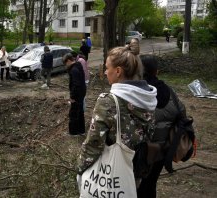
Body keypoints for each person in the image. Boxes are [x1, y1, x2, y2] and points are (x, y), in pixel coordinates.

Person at [77, 43, 158, 186]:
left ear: (118, 71)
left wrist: (81, 171)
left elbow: (93, 143)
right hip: (135, 174)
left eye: (108, 68)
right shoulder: (149, 99)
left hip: (109, 177)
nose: (106, 72)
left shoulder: (108, 101)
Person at [137, 55, 187, 198]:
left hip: (141, 151)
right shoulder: (169, 91)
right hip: (162, 150)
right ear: (157, 71)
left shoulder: (136, 93)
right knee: (151, 184)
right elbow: (181, 112)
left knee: (136, 186)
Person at [63, 53, 86, 136]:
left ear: (69, 61)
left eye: (65, 63)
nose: (65, 65)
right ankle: (81, 130)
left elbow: (76, 84)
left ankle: (73, 132)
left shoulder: (74, 70)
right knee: (80, 112)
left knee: (73, 113)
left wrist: (72, 97)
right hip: (81, 93)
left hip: (77, 95)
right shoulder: (78, 66)